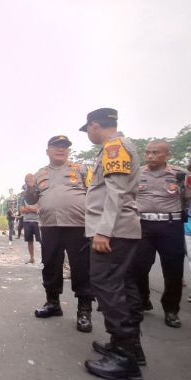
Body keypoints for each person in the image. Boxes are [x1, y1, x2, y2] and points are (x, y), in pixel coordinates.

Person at [80, 108, 144, 380]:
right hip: (120, 230)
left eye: (89, 130)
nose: (89, 135)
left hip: (113, 231)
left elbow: (115, 193)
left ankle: (125, 358)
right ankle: (126, 347)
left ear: (95, 125)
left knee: (107, 288)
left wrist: (103, 232)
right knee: (121, 286)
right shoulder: (116, 146)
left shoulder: (114, 147)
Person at [24, 135, 93, 333]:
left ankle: (84, 311)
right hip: (50, 226)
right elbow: (31, 200)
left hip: (78, 225)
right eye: (56, 146)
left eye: (64, 146)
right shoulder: (39, 174)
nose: (60, 149)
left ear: (68, 150)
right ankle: (53, 303)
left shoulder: (81, 170)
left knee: (81, 268)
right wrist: (29, 187)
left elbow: (95, 193)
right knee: (51, 265)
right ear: (48, 151)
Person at [132, 140, 190, 328]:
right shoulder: (137, 173)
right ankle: (142, 300)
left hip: (170, 226)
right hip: (143, 226)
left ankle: (171, 310)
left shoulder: (180, 174)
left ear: (168, 155)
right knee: (138, 267)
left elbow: (188, 199)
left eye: (156, 153)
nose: (150, 156)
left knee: (173, 270)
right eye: (148, 152)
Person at [19, 194, 41, 263]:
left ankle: (45, 258)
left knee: (41, 241)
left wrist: (27, 208)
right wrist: (34, 210)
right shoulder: (23, 198)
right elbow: (22, 210)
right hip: (27, 222)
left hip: (37, 222)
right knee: (29, 241)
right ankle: (32, 258)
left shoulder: (38, 197)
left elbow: (39, 210)